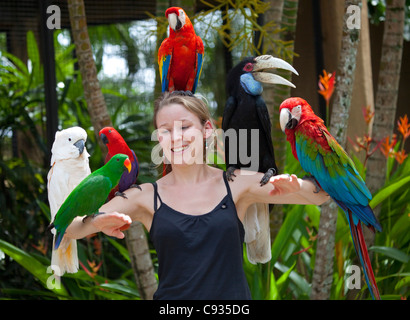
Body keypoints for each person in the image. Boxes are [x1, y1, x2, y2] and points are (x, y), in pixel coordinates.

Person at [65, 90, 329, 300]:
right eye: (165, 130)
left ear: (206, 131)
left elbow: (320, 196)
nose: (175, 137)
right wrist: (94, 223)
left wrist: (300, 187)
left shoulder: (238, 184)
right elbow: (70, 230)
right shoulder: (145, 196)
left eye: (185, 127)